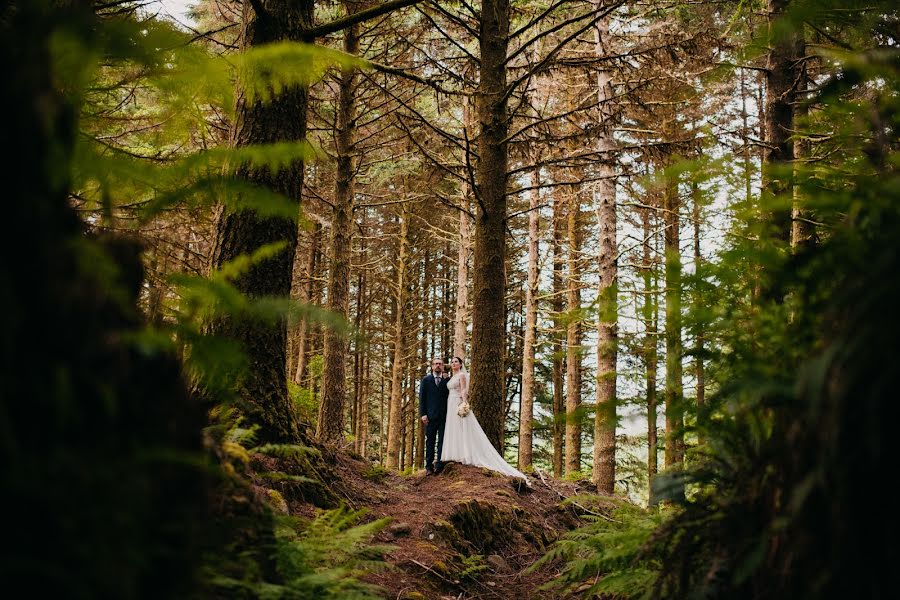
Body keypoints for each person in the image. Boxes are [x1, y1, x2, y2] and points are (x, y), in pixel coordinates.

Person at [441, 356, 529, 482]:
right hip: (450, 402)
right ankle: (455, 453)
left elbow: (464, 390)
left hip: (457, 402)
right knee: (454, 427)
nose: (454, 363)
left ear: (461, 365)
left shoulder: (461, 375)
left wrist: (464, 403)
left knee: (462, 427)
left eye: (456, 362)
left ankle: (464, 454)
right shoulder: (451, 377)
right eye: (452, 362)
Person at [419, 356, 449, 475]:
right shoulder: (426, 380)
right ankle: (428, 466)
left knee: (442, 441)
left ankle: (439, 465)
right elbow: (422, 398)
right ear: (432, 366)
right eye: (436, 363)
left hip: (444, 416)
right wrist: (423, 414)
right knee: (430, 441)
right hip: (430, 417)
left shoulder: (447, 380)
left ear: (442, 366)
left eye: (440, 364)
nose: (438, 365)